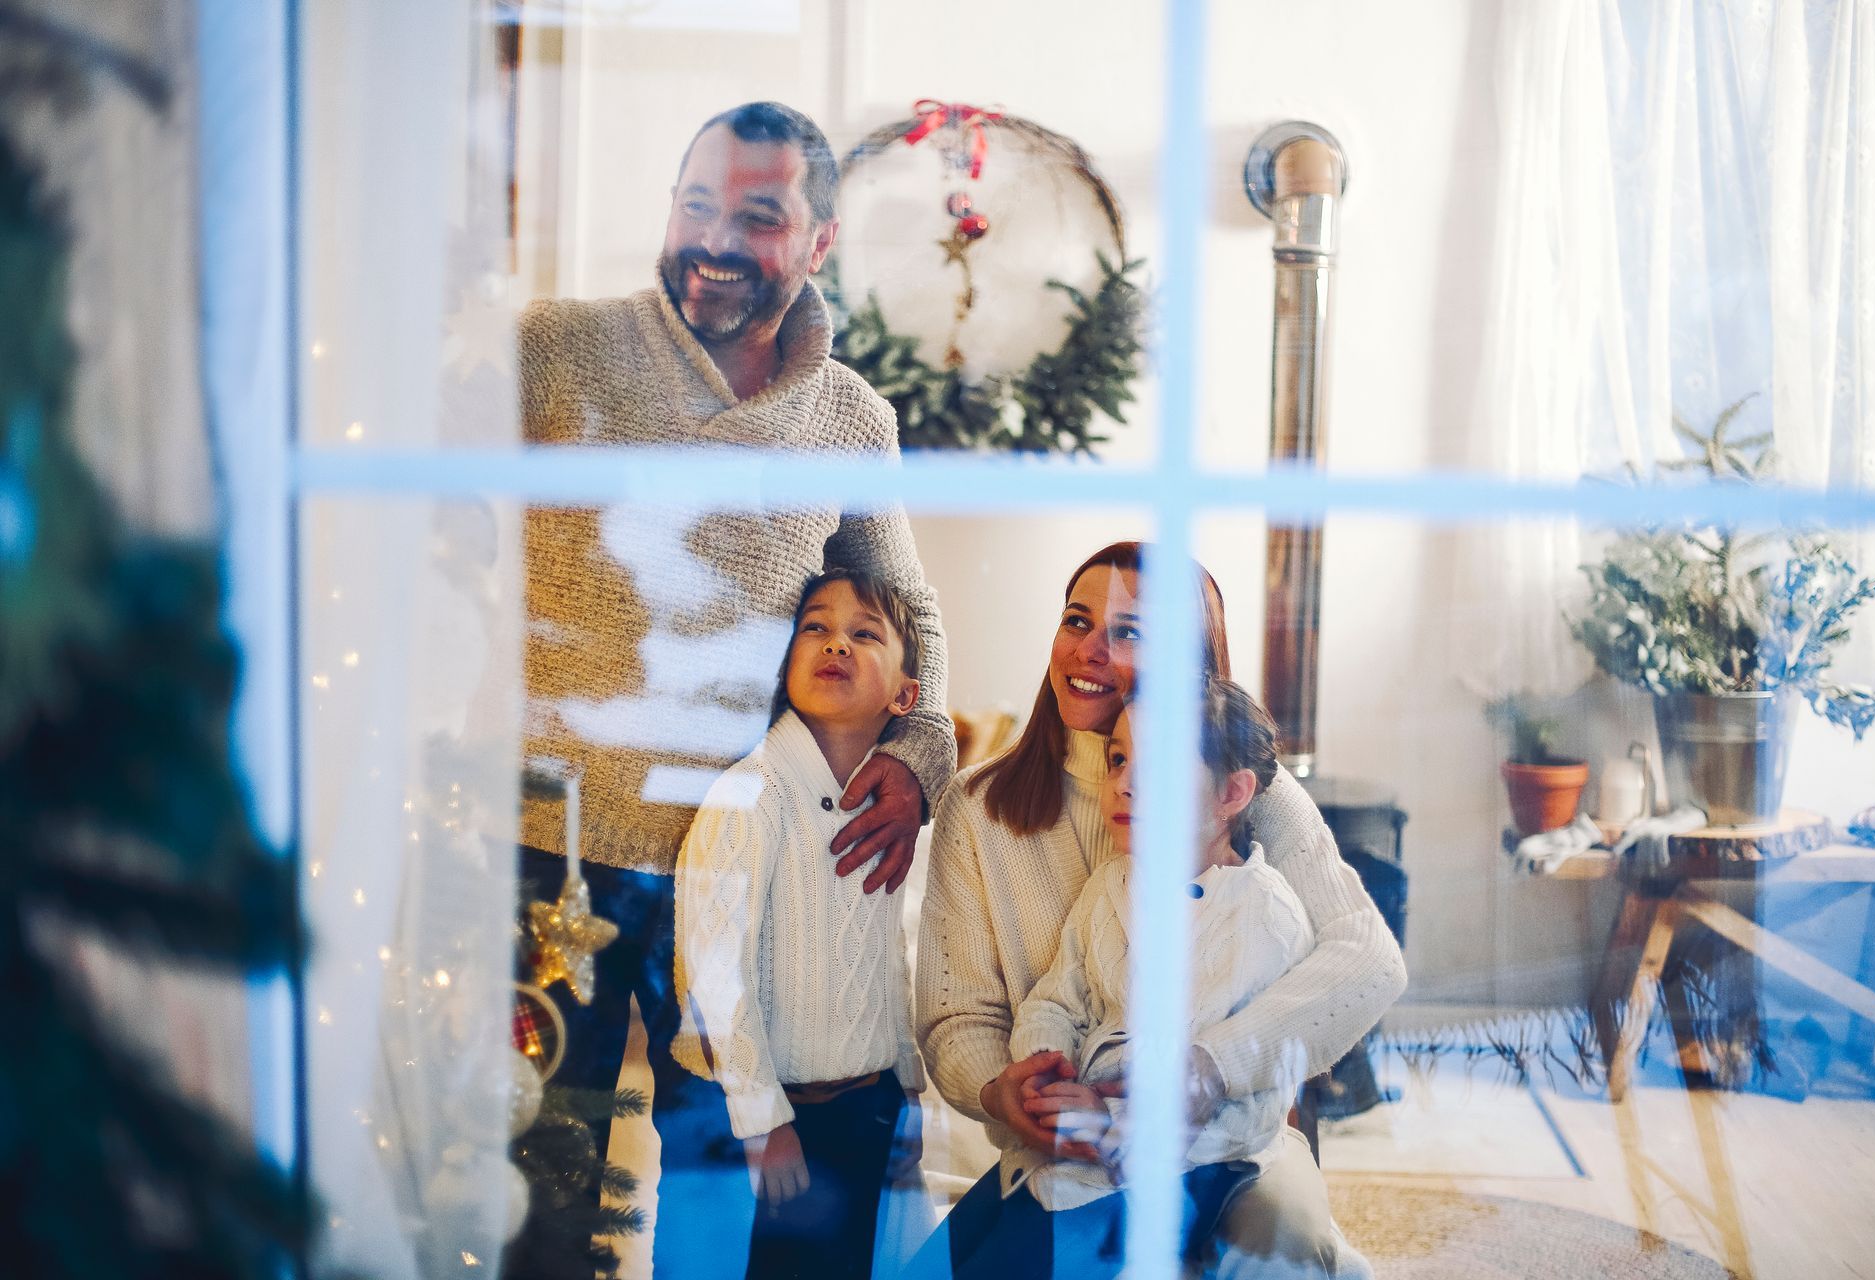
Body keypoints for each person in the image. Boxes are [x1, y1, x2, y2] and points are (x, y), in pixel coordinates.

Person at [515, 100, 955, 1276]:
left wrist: (918, 760)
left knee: (721, 1195)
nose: (714, 239)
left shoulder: (847, 418)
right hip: (541, 847)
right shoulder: (551, 350)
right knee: (539, 1190)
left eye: (757, 218)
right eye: (696, 203)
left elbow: (914, 613)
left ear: (819, 245)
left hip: (732, 871)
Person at [916, 542, 1405, 1278]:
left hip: (1234, 1151)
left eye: (1131, 632)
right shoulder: (978, 807)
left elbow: (1370, 961)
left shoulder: (1249, 794)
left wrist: (1211, 1069)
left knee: (1290, 1247)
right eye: (1077, 620)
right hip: (1070, 1144)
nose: (1090, 649)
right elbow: (957, 1019)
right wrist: (1009, 1090)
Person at [923, 678, 1316, 1279]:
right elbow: (1058, 996)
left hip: (1190, 1163)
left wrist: (1115, 1127)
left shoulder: (1263, 916)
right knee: (944, 1259)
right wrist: (1042, 1068)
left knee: (1036, 1256)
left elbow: (1235, 1088)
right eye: (1118, 759)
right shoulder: (1112, 885)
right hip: (1074, 1139)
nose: (1125, 783)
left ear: (1232, 793)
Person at [674, 569, 928, 1280]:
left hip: (869, 1104)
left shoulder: (886, 809)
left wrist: (907, 1084)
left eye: (864, 633)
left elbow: (887, 954)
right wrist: (764, 1119)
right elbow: (715, 974)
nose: (835, 643)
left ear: (905, 695)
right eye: (815, 627)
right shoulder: (750, 796)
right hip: (785, 1114)